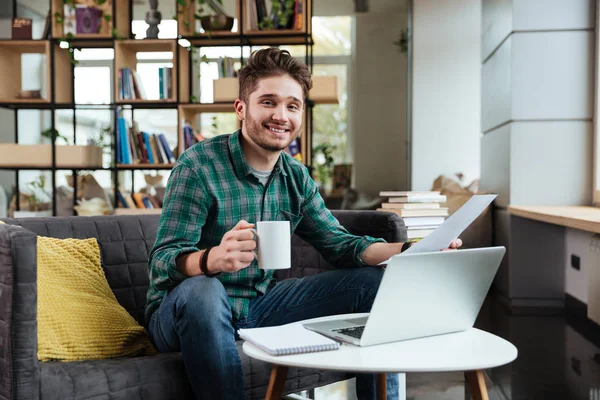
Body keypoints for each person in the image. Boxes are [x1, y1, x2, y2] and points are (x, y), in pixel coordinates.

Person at [145, 48, 462, 400]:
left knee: (376, 283)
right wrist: (210, 260)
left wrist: (411, 249)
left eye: (292, 105)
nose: (281, 115)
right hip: (183, 313)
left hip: (258, 305)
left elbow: (342, 246)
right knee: (204, 291)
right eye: (268, 102)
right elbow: (162, 260)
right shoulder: (198, 166)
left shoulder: (295, 176)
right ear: (241, 109)